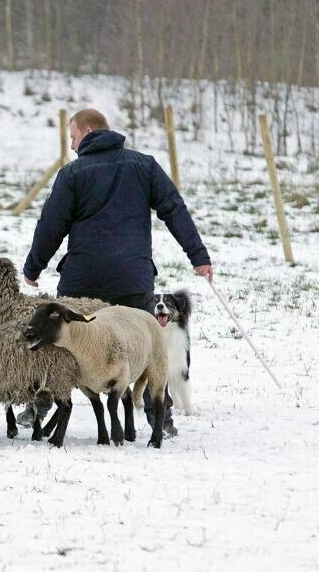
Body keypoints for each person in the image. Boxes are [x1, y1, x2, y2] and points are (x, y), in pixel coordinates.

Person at [21, 108, 212, 436]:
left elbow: (51, 224)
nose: (71, 145)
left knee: (61, 343)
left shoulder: (73, 173)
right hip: (132, 279)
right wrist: (198, 256)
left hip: (83, 280)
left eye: (73, 136)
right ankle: (160, 418)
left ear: (89, 131)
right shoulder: (144, 165)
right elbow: (173, 207)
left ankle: (39, 406)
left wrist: (33, 266)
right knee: (150, 346)